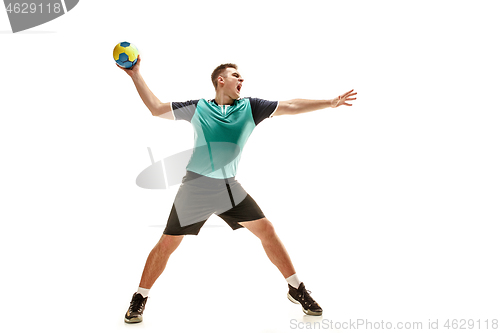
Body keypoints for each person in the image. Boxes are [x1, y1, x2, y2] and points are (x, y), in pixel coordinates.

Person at [117, 56, 357, 323]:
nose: (241, 80)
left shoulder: (251, 107)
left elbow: (290, 105)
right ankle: (140, 297)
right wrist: (135, 74)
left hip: (229, 188)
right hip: (195, 187)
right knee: (167, 244)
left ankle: (296, 288)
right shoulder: (198, 108)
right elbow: (156, 108)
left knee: (266, 230)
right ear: (221, 80)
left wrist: (330, 102)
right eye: (236, 76)